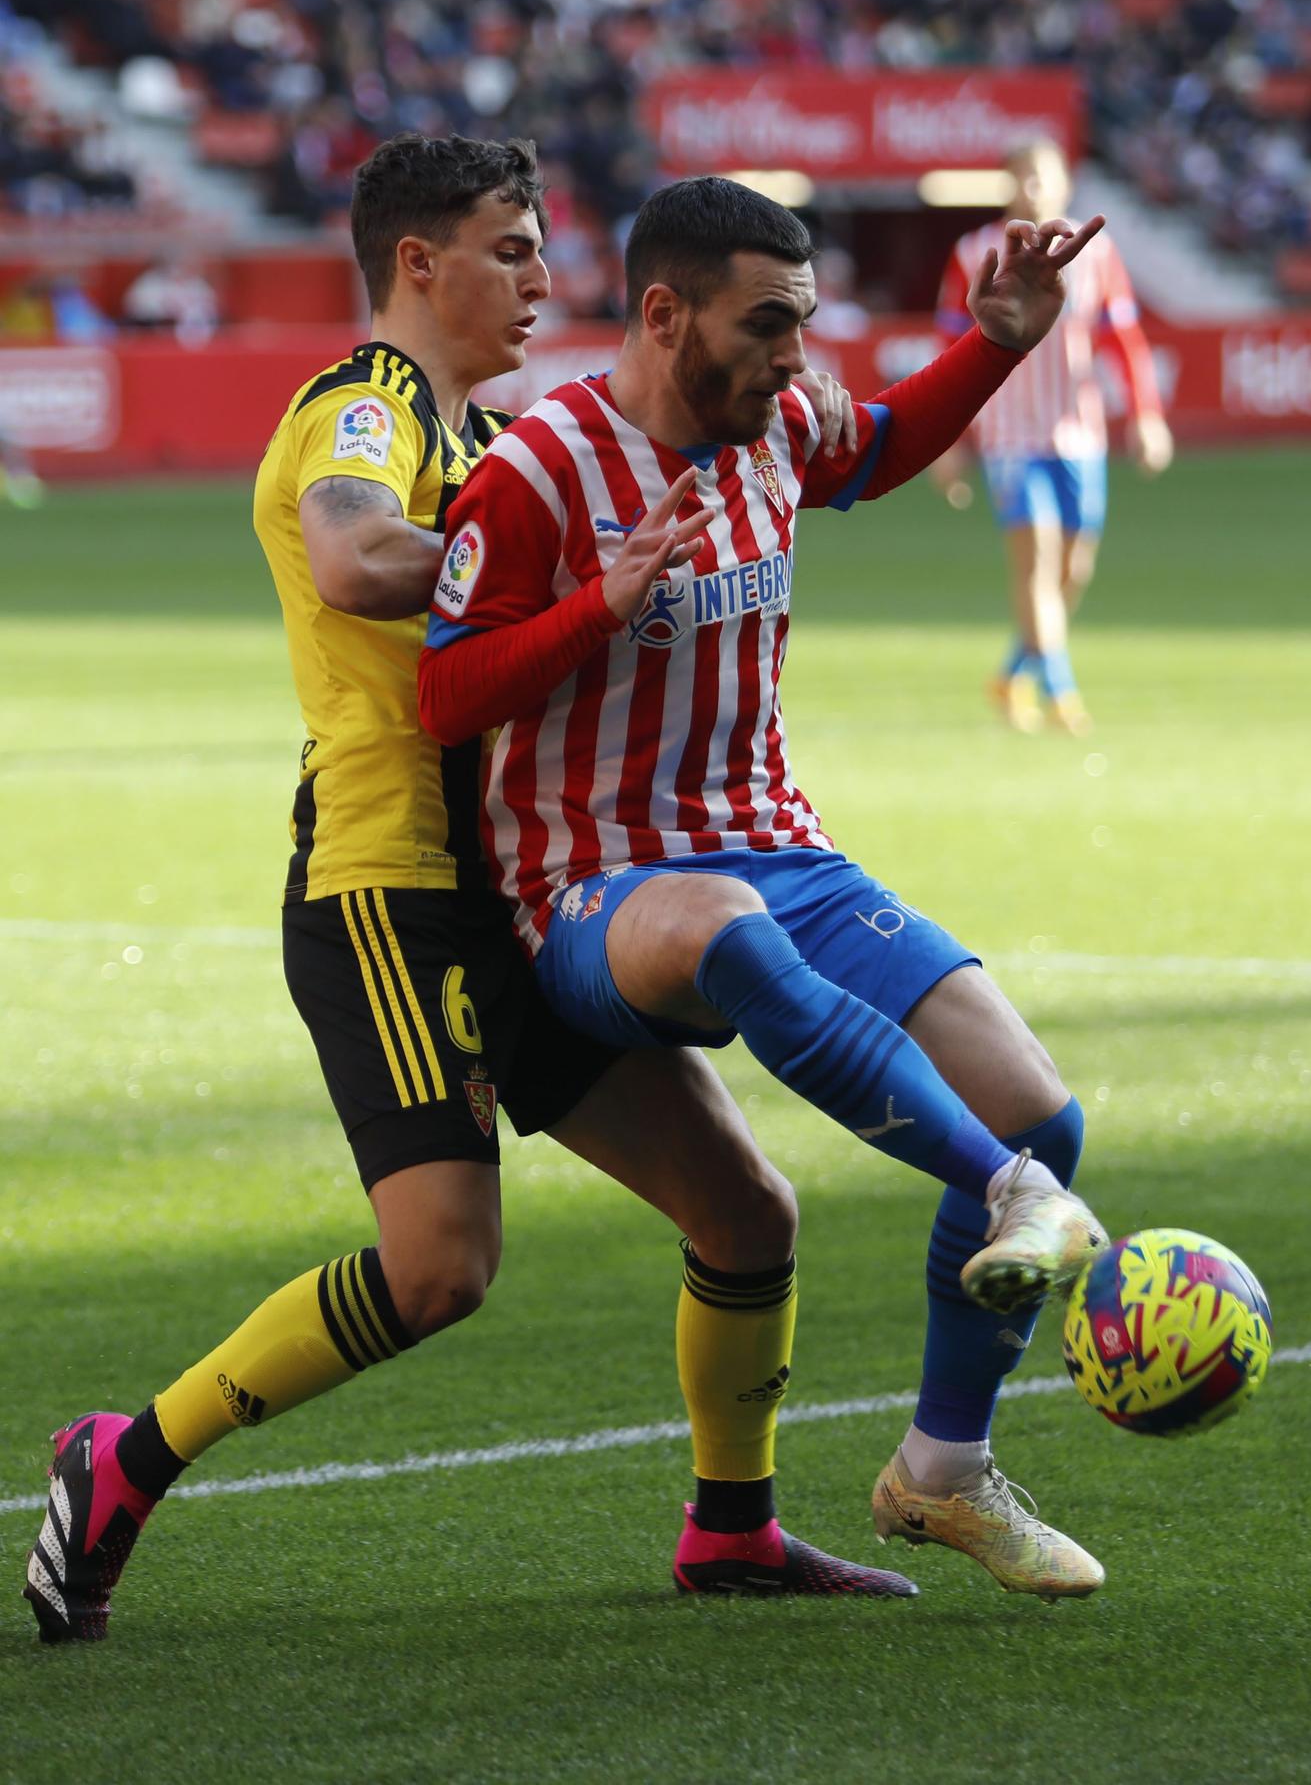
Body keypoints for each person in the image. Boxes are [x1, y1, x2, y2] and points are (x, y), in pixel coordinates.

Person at [23, 134, 920, 1648]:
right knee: (441, 1267)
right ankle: (126, 1454)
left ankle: (732, 1531)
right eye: (511, 249)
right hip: (394, 883)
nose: (539, 278)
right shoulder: (360, 411)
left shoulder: (490, 428)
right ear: (417, 264)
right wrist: (547, 562)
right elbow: (357, 555)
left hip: (517, 880)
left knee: (744, 1209)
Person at [419, 175, 1114, 1603]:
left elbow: (874, 446)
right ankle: (1008, 1194)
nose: (798, 357)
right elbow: (443, 694)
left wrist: (997, 341)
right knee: (734, 940)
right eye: (770, 325)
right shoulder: (541, 469)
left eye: (803, 324)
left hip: (775, 847)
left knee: (1040, 1100)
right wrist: (590, 608)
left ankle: (938, 1475)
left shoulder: (777, 419)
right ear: (665, 315)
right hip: (596, 887)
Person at [934, 138, 1173, 733]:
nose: (1032, 190)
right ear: (1007, 187)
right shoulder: (974, 253)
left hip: (1078, 434)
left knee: (1074, 570)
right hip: (1009, 435)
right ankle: (1062, 692)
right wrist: (948, 439)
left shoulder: (1097, 255)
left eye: (1042, 179)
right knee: (1034, 563)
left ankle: (1013, 672)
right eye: (1021, 179)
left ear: (1064, 185)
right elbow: (948, 349)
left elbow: (1123, 339)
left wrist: (1145, 415)